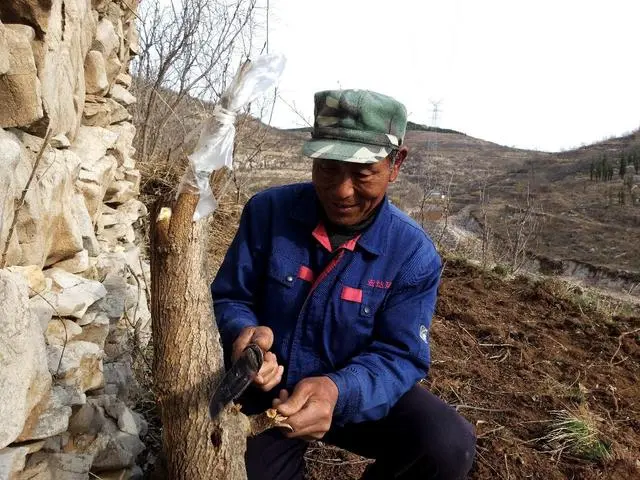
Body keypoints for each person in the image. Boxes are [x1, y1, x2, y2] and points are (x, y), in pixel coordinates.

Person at [211, 89, 476, 479]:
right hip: (267, 398)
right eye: (328, 169)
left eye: (362, 173)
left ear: (395, 164)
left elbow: (399, 354)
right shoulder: (268, 213)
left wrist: (338, 390)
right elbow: (231, 297)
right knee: (238, 469)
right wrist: (243, 335)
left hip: (352, 395)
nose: (341, 191)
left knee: (446, 444)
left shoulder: (412, 253)